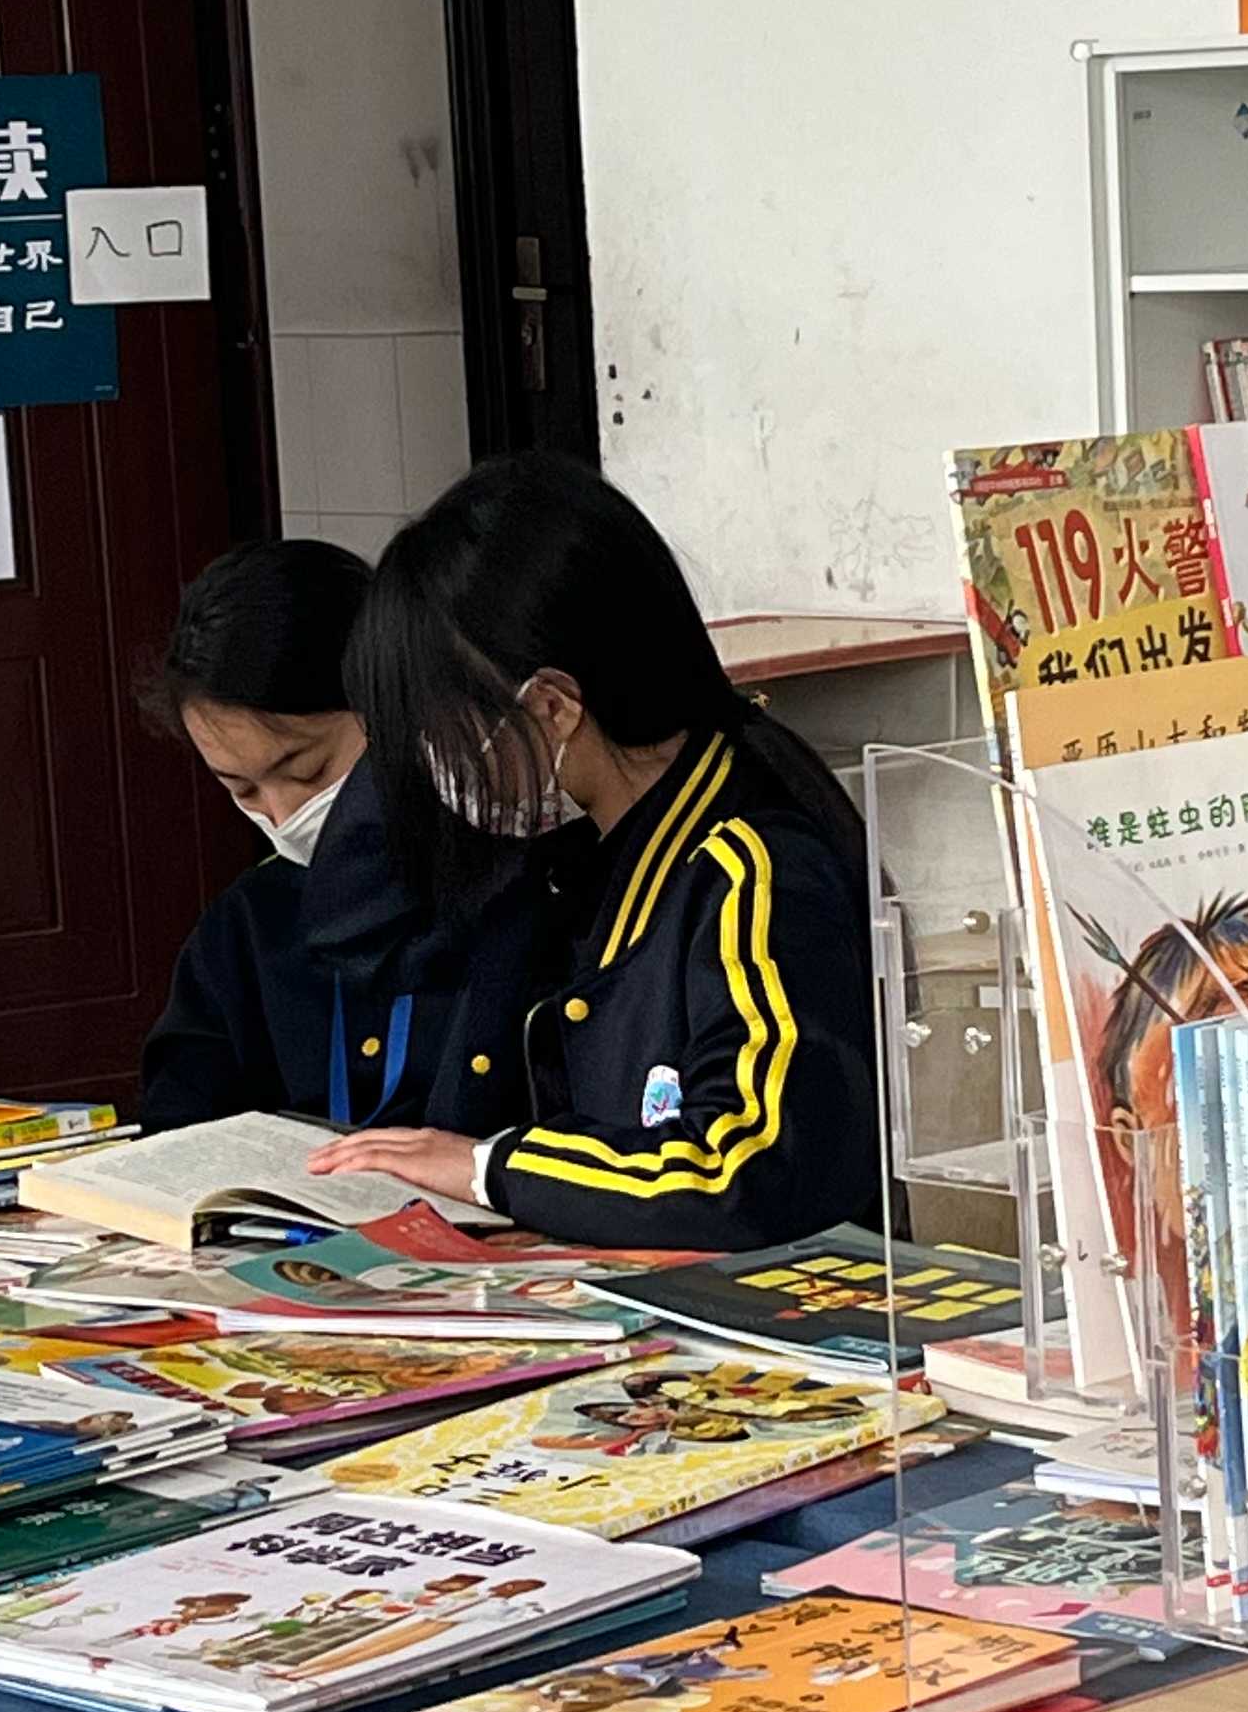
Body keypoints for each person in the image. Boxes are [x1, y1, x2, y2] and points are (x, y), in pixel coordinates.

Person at [309, 454, 880, 1250]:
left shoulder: (749, 866)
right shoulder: (586, 852)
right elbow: (353, 913)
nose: (433, 770)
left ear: (551, 706)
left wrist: (490, 1169)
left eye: (440, 735)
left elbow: (744, 1172)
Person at [139, 537, 567, 1137]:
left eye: (308, 771)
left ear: (400, 709)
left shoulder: (530, 889)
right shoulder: (245, 930)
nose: (284, 816)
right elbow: (177, 1129)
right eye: (242, 790)